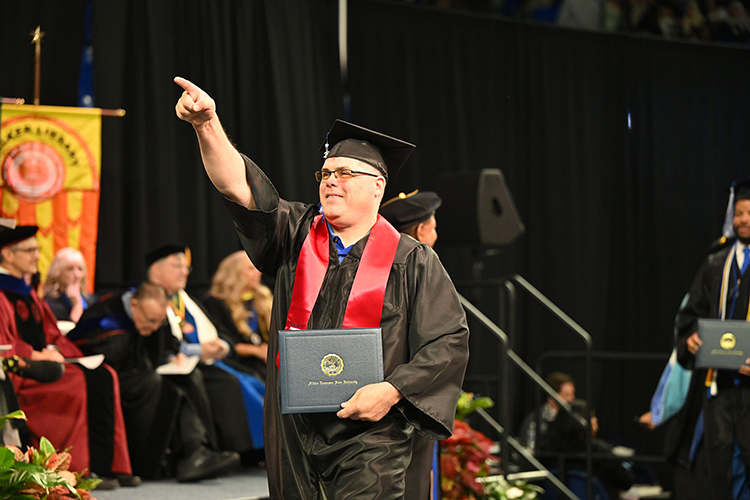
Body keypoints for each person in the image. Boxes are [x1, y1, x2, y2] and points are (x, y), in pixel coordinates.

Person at [175, 76, 470, 499]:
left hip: (371, 433)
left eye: (346, 172)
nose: (331, 179)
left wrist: (391, 392)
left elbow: (448, 342)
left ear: (378, 186)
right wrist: (207, 125)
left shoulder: (412, 259)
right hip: (294, 427)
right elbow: (239, 187)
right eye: (326, 172)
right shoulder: (295, 235)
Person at [0, 225, 137, 489]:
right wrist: (38, 355)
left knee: (103, 374)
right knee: (76, 383)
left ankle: (111, 465)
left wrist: (62, 353)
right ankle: (79, 469)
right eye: (30, 251)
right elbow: (4, 345)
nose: (37, 256)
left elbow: (53, 333)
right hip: (22, 374)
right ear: (7, 254)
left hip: (46, 364)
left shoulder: (26, 291)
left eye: (36, 250)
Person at [68, 282, 242, 482]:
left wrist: (170, 357)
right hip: (106, 375)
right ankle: (151, 463)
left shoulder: (155, 314)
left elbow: (163, 347)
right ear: (135, 306)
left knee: (187, 377)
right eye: (149, 321)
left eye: (158, 323)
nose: (152, 328)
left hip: (142, 373)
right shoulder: (105, 319)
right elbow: (98, 356)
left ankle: (196, 451)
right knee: (158, 386)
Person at [146, 244, 265, 456]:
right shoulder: (148, 300)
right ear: (156, 270)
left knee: (253, 377)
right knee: (229, 383)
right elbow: (161, 344)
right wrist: (198, 351)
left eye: (186, 267)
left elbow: (220, 333)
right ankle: (238, 449)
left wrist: (222, 346)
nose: (185, 271)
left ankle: (262, 446)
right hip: (171, 365)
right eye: (177, 266)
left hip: (209, 361)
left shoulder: (188, 301)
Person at [676, 177, 750, 500]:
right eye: (738, 213)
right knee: (721, 468)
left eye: (749, 212)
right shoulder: (715, 263)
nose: (743, 220)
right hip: (719, 386)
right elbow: (690, 313)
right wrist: (691, 336)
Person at [380, 189, 443, 500]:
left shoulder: (374, 264)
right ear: (420, 231)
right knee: (414, 475)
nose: (436, 234)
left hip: (381, 387)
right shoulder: (421, 267)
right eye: (433, 226)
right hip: (410, 387)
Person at [203, 250, 271, 382]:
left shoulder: (263, 300)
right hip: (235, 363)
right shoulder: (216, 303)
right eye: (251, 268)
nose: (258, 273)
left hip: (263, 362)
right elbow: (223, 341)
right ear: (235, 273)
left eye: (258, 268)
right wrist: (256, 351)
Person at [42, 246, 97, 323]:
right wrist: (77, 306)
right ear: (57, 273)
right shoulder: (49, 305)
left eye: (80, 269)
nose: (76, 274)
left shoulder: (91, 301)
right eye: (70, 269)